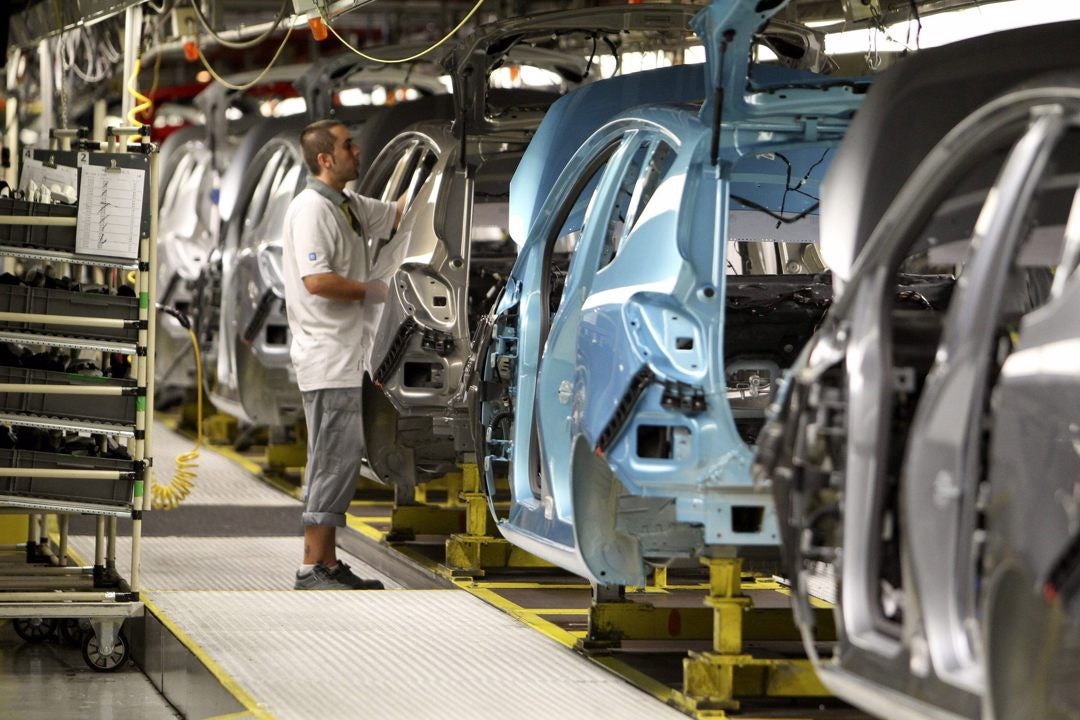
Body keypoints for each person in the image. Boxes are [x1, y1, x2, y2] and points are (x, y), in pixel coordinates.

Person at [282, 119, 406, 590]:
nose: (357, 150)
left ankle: (328, 563)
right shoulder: (311, 210)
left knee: (340, 457)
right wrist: (376, 292)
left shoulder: (349, 206)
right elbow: (319, 282)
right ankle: (313, 565)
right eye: (347, 145)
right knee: (332, 459)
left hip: (348, 355)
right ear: (325, 160)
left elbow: (395, 215)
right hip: (328, 357)